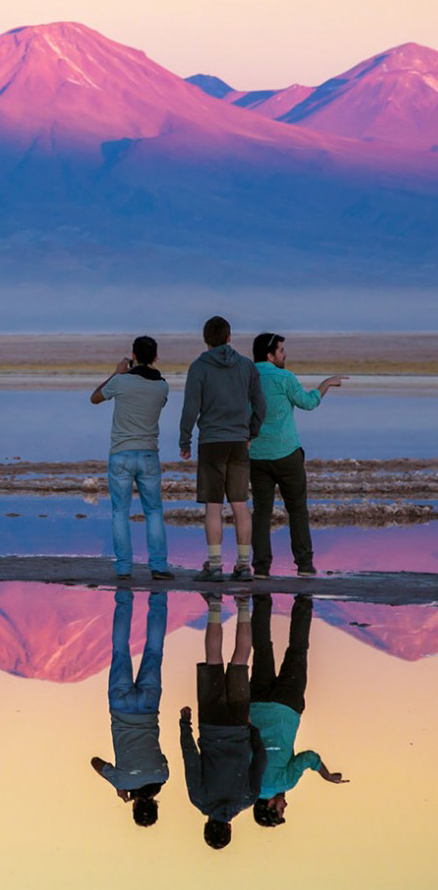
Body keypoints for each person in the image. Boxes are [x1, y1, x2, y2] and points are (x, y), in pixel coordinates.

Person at [249, 333, 348, 577]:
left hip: (257, 455)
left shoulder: (247, 378)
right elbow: (308, 403)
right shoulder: (284, 378)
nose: (285, 355)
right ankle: (304, 564)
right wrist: (325, 384)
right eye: (281, 351)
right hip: (286, 454)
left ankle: (261, 567)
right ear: (270, 355)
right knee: (297, 509)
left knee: (262, 512)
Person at [179, 316, 266, 581]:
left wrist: (185, 440)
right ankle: (243, 566)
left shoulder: (199, 368)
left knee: (214, 506)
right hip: (239, 442)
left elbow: (191, 408)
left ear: (206, 339)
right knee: (240, 504)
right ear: (229, 337)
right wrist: (251, 432)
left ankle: (215, 565)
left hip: (211, 443)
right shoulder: (247, 366)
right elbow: (260, 406)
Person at [250, 594, 348, 827]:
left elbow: (309, 758)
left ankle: (303, 599)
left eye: (281, 811)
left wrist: (326, 774)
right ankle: (261, 597)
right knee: (263, 648)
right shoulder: (249, 783)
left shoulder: (284, 783)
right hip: (257, 704)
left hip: (287, 705)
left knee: (298, 650)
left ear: (271, 806)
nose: (286, 806)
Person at [180, 593, 266, 849]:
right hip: (211, 724)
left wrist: (251, 731)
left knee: (240, 661)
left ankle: (243, 604)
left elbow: (260, 760)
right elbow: (191, 759)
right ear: (207, 825)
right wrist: (185, 725)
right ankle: (215, 604)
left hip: (239, 725)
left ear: (229, 828)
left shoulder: (247, 799)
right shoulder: (199, 799)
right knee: (214, 660)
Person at [91, 336, 172, 580]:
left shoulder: (121, 382)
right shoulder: (162, 386)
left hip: (121, 454)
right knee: (154, 511)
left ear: (133, 356)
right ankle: (158, 565)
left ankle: (124, 567)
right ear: (156, 357)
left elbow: (95, 397)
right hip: (148, 454)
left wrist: (116, 373)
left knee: (120, 512)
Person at [91, 589, 169, 826]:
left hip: (147, 707)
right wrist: (120, 786)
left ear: (155, 806)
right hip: (121, 706)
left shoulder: (162, 776)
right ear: (133, 807)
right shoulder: (121, 780)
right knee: (120, 650)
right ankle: (124, 595)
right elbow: (95, 761)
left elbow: (160, 756)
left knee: (154, 652)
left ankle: (159, 595)